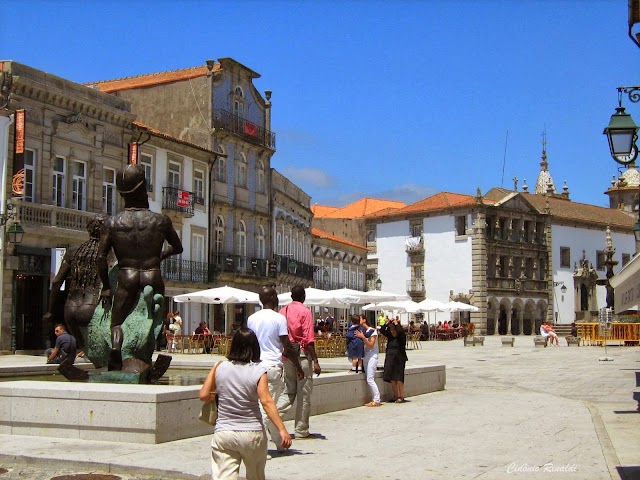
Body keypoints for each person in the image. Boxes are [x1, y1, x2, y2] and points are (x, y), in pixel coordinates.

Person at [97, 164, 183, 371]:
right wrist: (160, 256)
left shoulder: (113, 222)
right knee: (155, 318)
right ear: (143, 186)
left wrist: (107, 286)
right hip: (152, 274)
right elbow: (177, 247)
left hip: (127, 275)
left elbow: (101, 256)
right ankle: (146, 355)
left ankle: (116, 348)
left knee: (116, 321)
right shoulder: (160, 220)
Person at [199, 327, 292, 480]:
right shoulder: (258, 371)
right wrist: (282, 430)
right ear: (254, 347)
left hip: (224, 433)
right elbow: (266, 401)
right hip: (252, 433)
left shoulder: (219, 367)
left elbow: (203, 395)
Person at [42, 214, 109, 355]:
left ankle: (88, 357)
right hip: (91, 306)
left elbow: (56, 282)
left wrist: (50, 311)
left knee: (87, 348)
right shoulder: (108, 253)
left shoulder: (73, 251)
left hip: (70, 309)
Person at [247, 286, 303, 452]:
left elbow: (250, 344)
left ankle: (280, 444)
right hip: (271, 368)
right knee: (267, 409)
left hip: (254, 367)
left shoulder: (251, 318)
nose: (278, 298)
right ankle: (254, 445)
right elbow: (287, 346)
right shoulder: (279, 319)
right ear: (272, 298)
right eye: (276, 295)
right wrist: (298, 366)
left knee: (267, 407)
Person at [279, 286, 322, 440]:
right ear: (303, 296)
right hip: (302, 356)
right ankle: (301, 429)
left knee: (288, 391)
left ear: (291, 296)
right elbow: (309, 340)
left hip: (287, 356)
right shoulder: (305, 312)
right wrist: (316, 361)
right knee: (304, 394)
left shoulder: (282, 311)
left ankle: (272, 418)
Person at [380, 315, 408, 403]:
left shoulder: (401, 337)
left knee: (399, 378)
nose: (392, 332)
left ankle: (401, 396)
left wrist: (397, 324)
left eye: (393, 330)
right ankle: (395, 395)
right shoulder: (390, 337)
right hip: (390, 358)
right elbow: (381, 330)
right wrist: (387, 323)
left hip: (399, 358)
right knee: (392, 377)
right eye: (391, 330)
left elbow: (400, 331)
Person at [355, 314, 381, 407]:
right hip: (365, 356)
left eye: (360, 319)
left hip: (372, 356)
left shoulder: (372, 331)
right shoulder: (361, 331)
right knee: (368, 378)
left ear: (364, 320)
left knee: (370, 378)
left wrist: (363, 337)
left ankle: (377, 399)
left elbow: (371, 345)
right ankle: (374, 398)